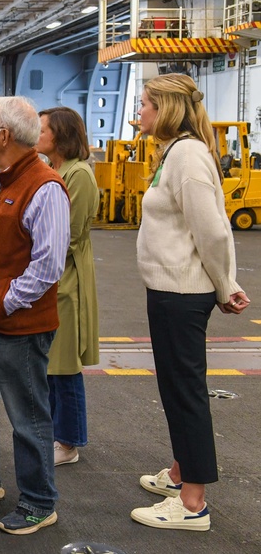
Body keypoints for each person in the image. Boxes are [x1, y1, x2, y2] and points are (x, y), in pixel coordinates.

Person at [129, 73, 250, 531]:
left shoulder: (189, 157)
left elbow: (214, 230)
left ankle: (194, 503)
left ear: (167, 110)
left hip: (183, 293)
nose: (139, 111)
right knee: (176, 389)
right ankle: (181, 475)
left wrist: (225, 284)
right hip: (170, 290)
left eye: (145, 104)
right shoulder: (175, 153)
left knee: (185, 394)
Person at [0, 96, 70, 536]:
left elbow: (48, 266)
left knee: (28, 418)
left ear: (4, 135)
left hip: (17, 327)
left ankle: (40, 503)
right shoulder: (1, 179)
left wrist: (2, 302)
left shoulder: (44, 187)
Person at [35, 107, 100, 467]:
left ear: (58, 135)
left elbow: (69, 235)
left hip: (68, 280)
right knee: (51, 365)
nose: (37, 134)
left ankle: (69, 441)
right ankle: (59, 436)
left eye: (42, 129)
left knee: (65, 365)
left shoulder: (78, 175)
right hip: (57, 278)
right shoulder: (57, 170)